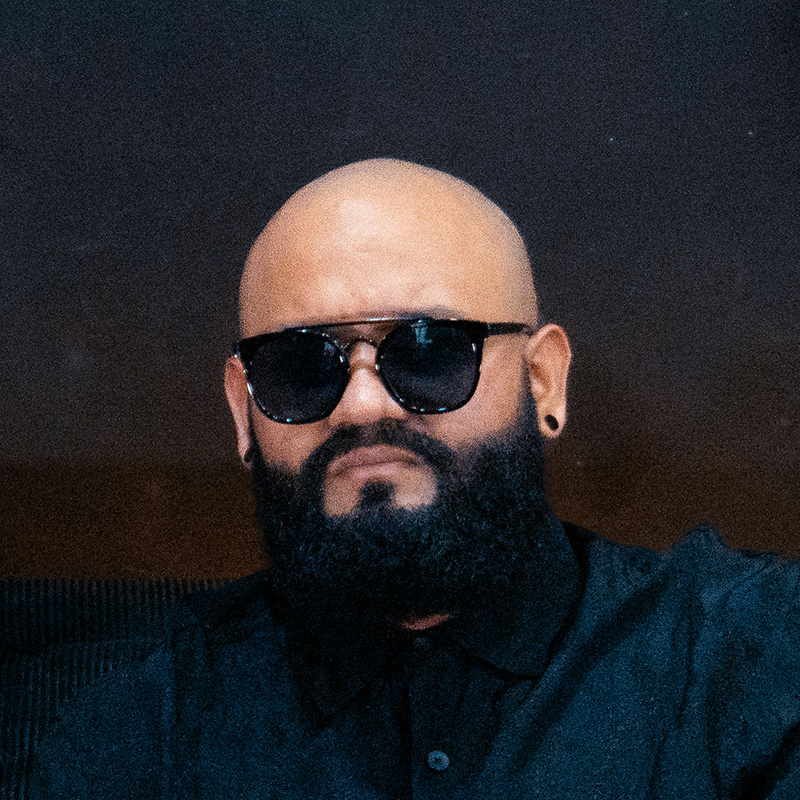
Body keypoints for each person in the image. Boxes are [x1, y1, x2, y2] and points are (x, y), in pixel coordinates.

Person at [29, 159, 800, 798]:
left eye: (430, 351)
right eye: (301, 366)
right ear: (243, 409)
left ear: (543, 382)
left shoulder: (745, 667)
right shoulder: (146, 727)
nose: (363, 405)